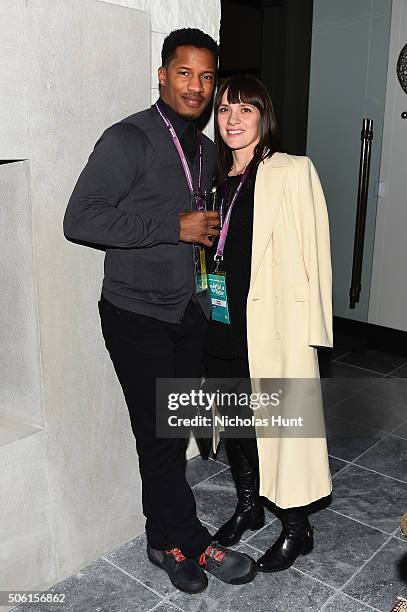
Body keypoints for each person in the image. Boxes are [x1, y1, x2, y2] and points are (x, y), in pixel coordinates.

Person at [63, 30, 257, 594]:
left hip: (185, 313)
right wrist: (170, 228)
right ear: (162, 74)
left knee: (171, 435)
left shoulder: (202, 147)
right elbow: (81, 219)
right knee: (158, 435)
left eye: (205, 77)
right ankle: (189, 541)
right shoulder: (128, 139)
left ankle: (161, 536)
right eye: (184, 73)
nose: (195, 86)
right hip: (135, 314)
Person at [205, 74, 333, 572]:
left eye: (245, 110)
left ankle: (297, 529)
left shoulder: (292, 171)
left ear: (263, 117)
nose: (233, 120)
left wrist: (316, 333)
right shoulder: (212, 179)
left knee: (277, 431)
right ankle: (248, 506)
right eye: (224, 110)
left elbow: (316, 253)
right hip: (220, 316)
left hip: (275, 325)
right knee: (235, 422)